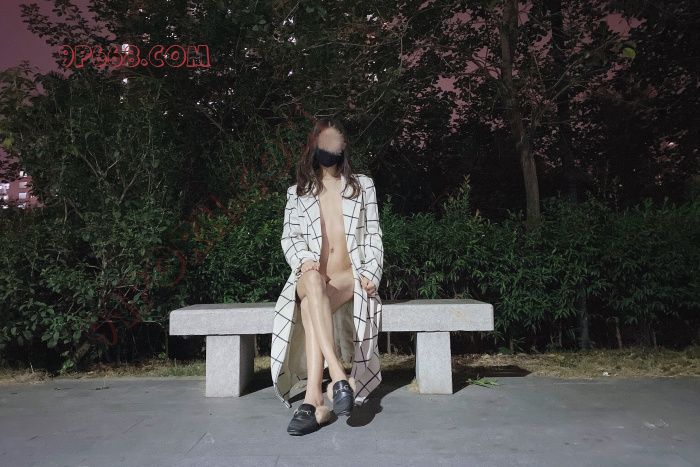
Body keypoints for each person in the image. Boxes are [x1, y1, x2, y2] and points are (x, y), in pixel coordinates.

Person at [271, 118, 384, 436]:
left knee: (310, 306)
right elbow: (290, 238)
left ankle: (314, 401)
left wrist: (371, 272)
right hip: (313, 276)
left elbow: (373, 236)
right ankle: (337, 377)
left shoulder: (362, 186)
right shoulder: (298, 193)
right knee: (311, 285)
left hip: (348, 277)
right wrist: (304, 260)